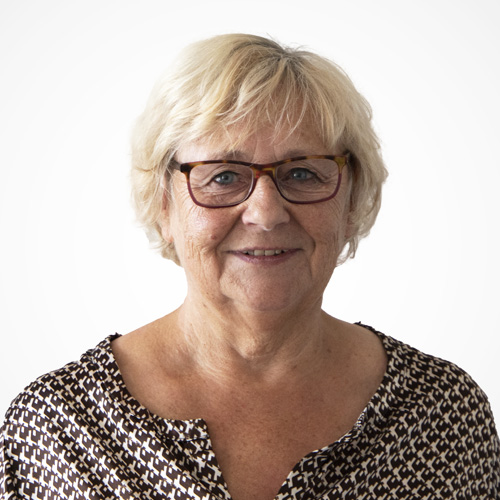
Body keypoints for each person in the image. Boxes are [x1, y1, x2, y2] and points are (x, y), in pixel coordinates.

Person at [1, 33, 499, 500]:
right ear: (164, 204)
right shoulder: (58, 426)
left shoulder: (443, 415)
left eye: (301, 173)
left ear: (351, 201)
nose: (265, 213)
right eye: (223, 176)